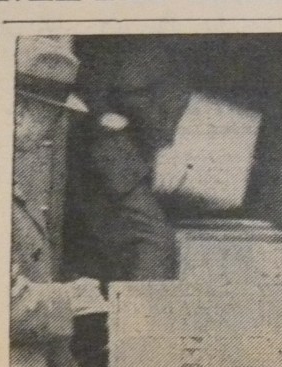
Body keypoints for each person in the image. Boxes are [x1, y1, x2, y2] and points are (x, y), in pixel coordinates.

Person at [10, 36, 110, 367]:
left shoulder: (11, 180)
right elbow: (3, 305)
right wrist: (69, 299)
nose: (53, 130)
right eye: (49, 115)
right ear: (19, 110)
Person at [66, 44, 190, 283]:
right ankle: (140, 317)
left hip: (124, 159)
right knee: (153, 241)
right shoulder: (147, 48)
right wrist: (162, 142)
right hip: (112, 158)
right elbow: (129, 92)